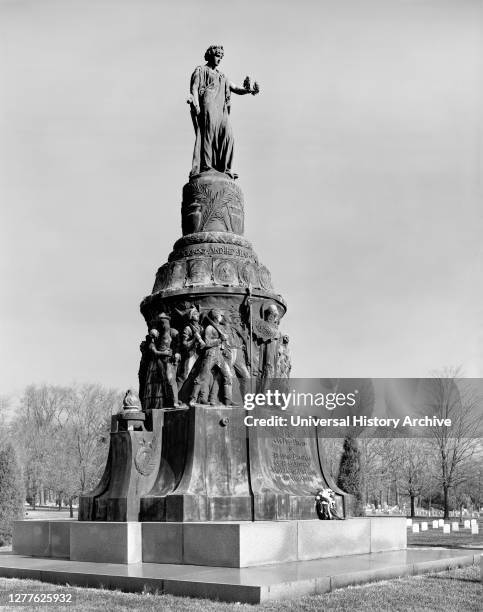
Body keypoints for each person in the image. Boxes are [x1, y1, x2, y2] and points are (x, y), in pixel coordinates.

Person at [188, 45, 259, 178]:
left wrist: (248, 90)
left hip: (221, 109)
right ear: (210, 56)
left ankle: (225, 169)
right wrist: (196, 104)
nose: (219, 59)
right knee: (209, 133)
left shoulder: (222, 76)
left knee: (228, 136)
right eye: (217, 55)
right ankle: (206, 166)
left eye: (221, 57)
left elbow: (235, 88)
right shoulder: (201, 70)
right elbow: (194, 87)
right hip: (208, 103)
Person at [189, 308, 233, 406]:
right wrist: (219, 340)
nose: (222, 317)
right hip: (210, 354)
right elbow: (207, 343)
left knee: (228, 376)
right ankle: (193, 398)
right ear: (216, 316)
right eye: (220, 315)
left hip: (219, 354)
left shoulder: (220, 328)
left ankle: (227, 400)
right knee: (202, 376)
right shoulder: (209, 328)